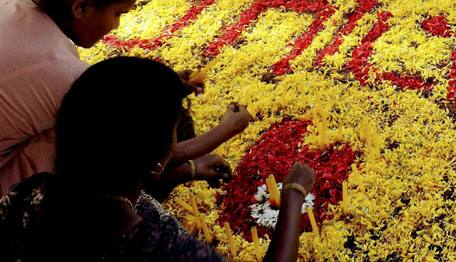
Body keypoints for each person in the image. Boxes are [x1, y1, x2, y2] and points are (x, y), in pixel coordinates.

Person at [0, 52, 315, 260]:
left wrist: (185, 172)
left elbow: (126, 195)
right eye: (175, 133)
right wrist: (292, 196)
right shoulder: (154, 243)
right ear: (159, 157)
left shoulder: (30, 192)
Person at [0, 0, 254, 196]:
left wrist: (168, 83)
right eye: (118, 13)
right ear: (82, 7)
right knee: (107, 141)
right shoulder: (61, 72)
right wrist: (228, 128)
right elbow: (136, 149)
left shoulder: (10, 3)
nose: (116, 26)